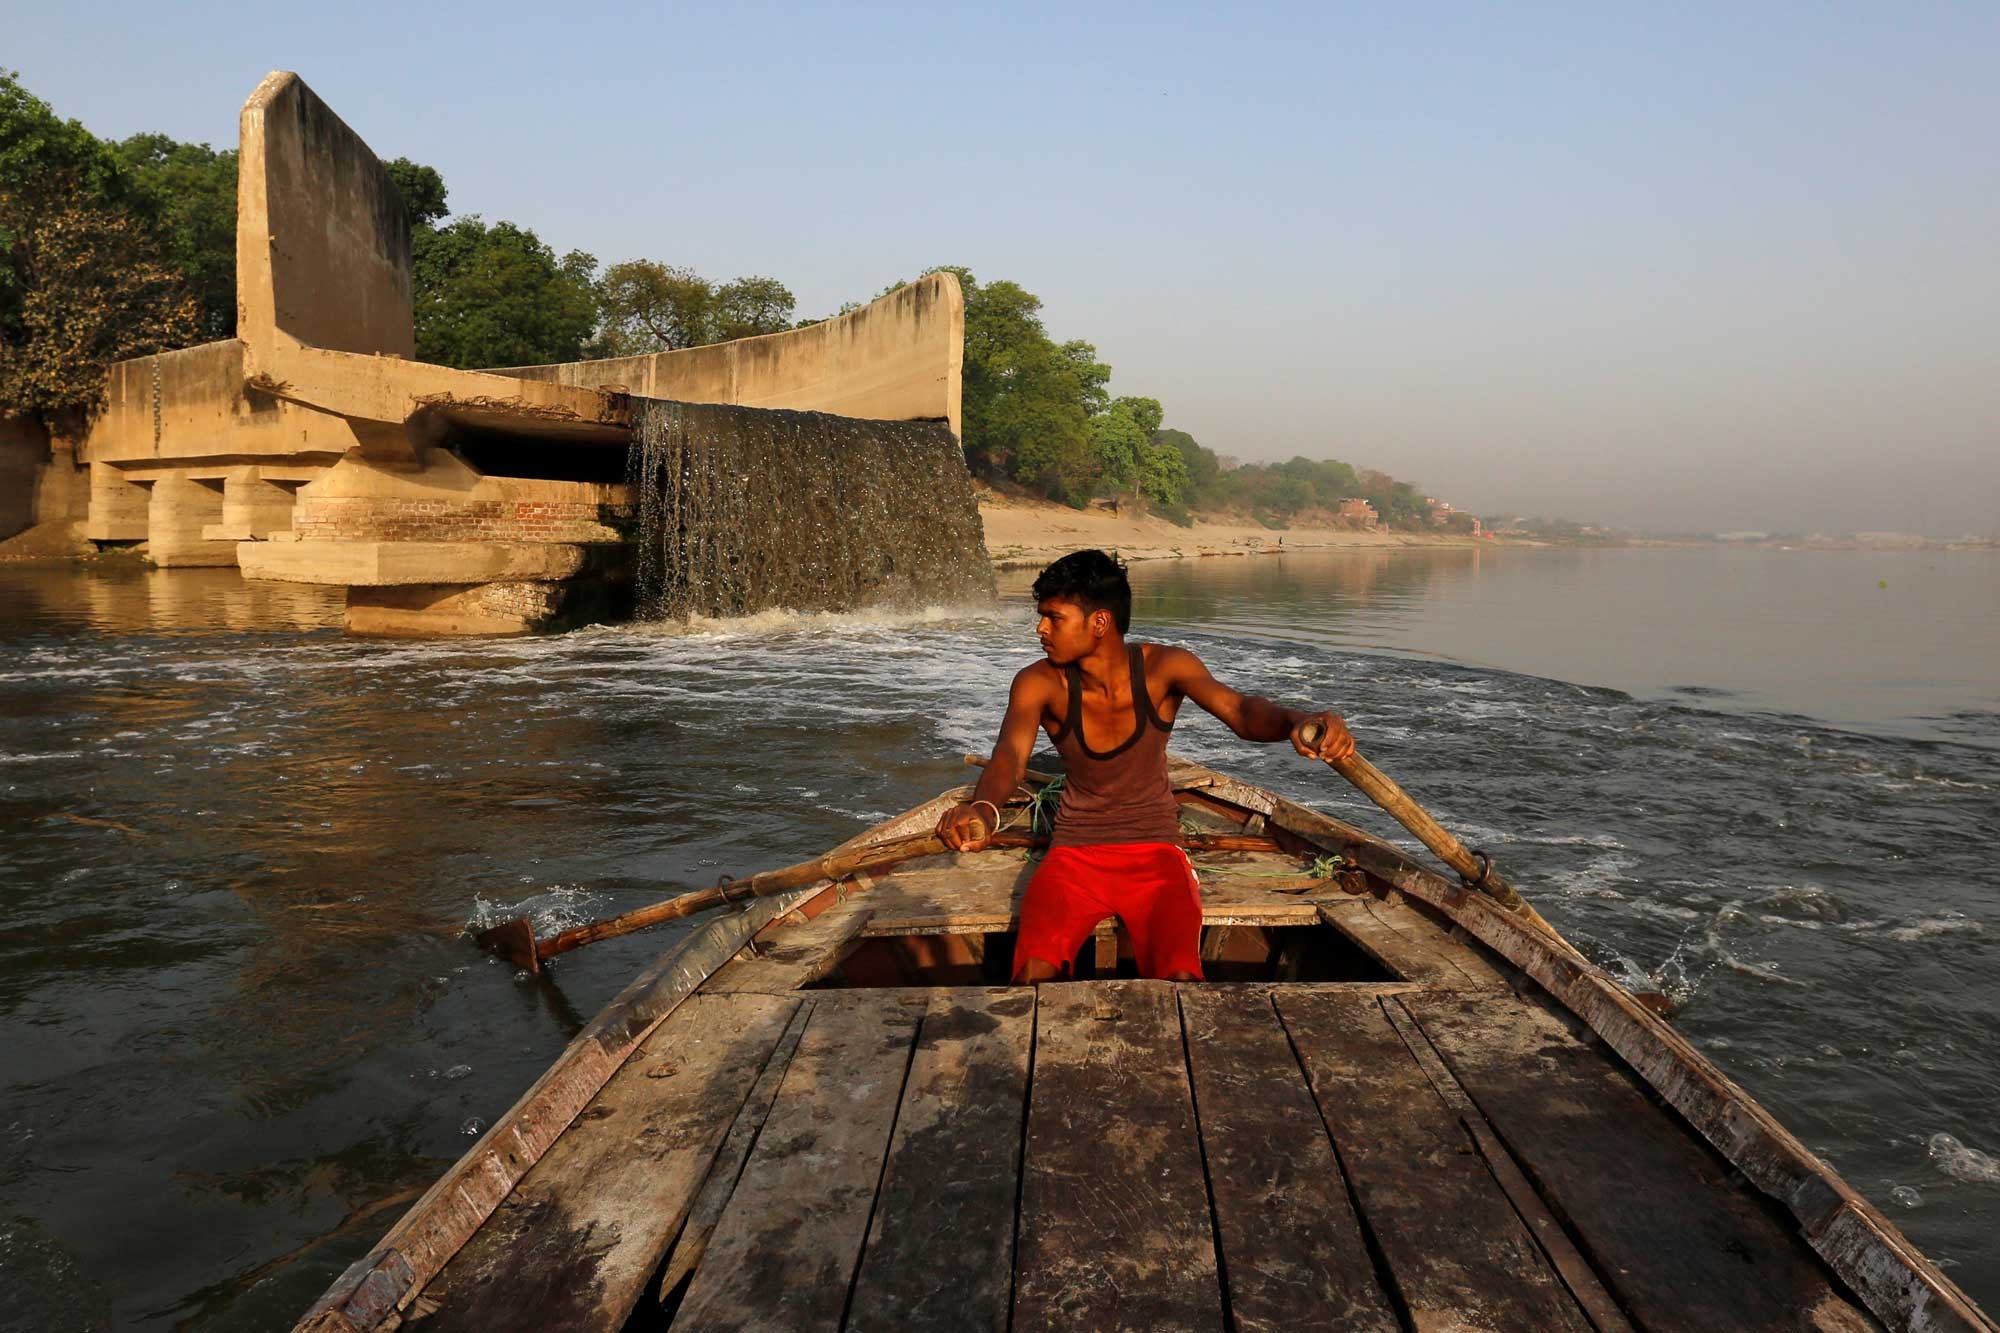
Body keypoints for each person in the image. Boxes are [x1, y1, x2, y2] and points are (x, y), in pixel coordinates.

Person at [937, 549, 1356, 983]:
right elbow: (1010, 755)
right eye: (1042, 616)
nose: (1040, 629)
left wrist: (1299, 720)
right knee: (1029, 975)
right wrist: (983, 808)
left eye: (1053, 618)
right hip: (1073, 856)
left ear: (1099, 622)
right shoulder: (1039, 682)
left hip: (1157, 855)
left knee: (1180, 978)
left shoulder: (1166, 668)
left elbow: (1242, 712)